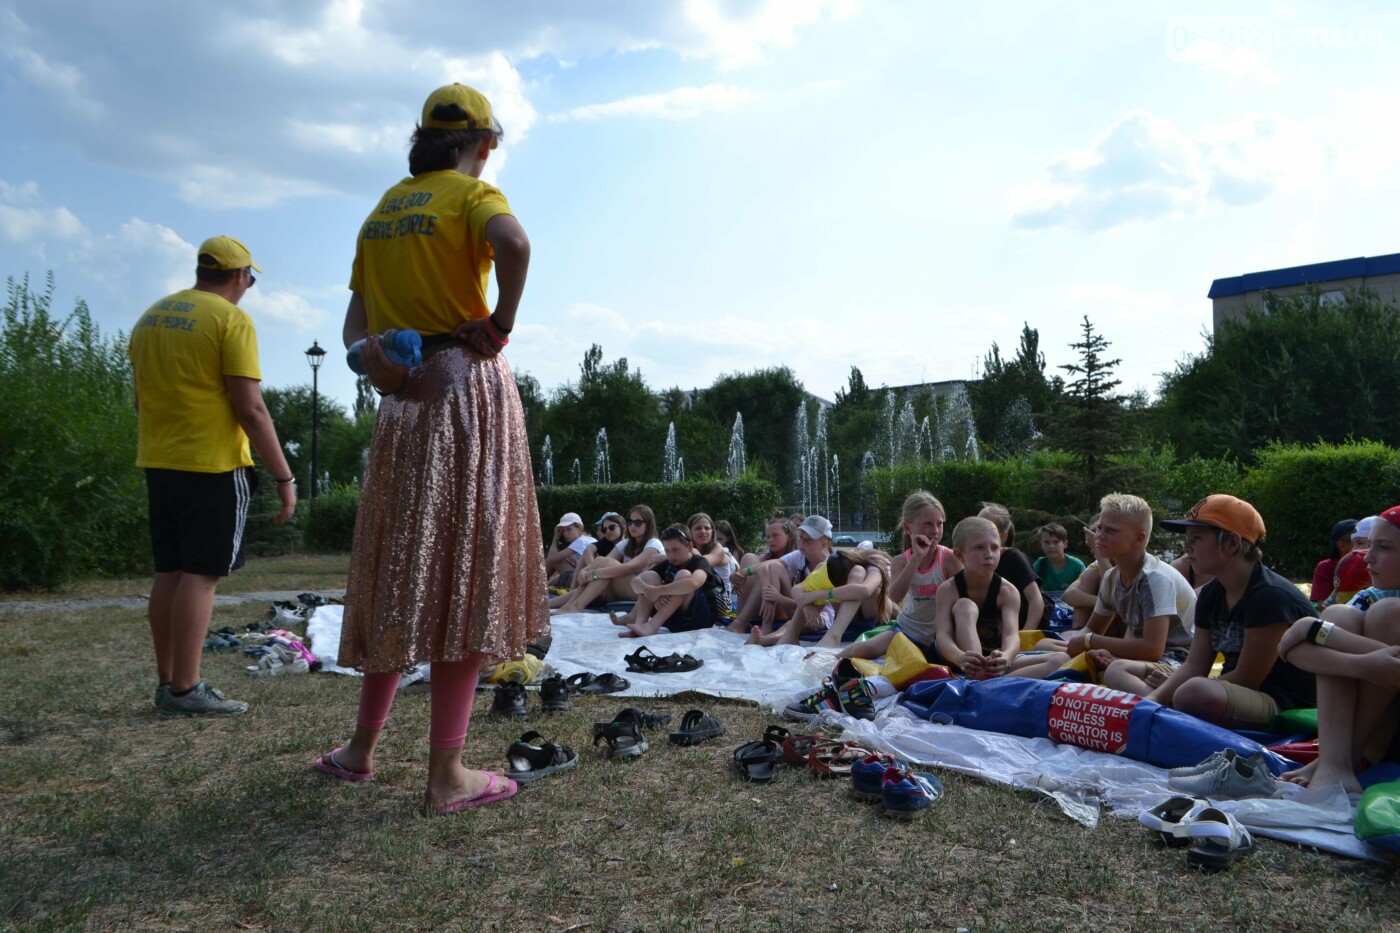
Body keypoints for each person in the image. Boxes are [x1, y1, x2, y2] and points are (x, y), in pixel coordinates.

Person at [316, 84, 548, 815]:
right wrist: (501, 324)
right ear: (482, 143)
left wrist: (370, 362)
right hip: (464, 385)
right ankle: (447, 774)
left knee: (400, 567)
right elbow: (514, 244)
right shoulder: (468, 196)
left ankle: (360, 749)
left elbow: (355, 321)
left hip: (400, 396)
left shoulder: (384, 208)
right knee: (463, 571)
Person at [130, 234, 298, 717]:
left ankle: (168, 683)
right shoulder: (230, 319)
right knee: (202, 576)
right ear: (240, 275)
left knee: (170, 572)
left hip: (159, 461)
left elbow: (141, 399)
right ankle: (186, 690)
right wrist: (283, 477)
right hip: (213, 465)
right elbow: (251, 408)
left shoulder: (151, 317)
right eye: (250, 278)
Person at [1143, 495, 1316, 727]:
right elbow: (1196, 664)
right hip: (1233, 690)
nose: (1187, 547)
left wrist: (1176, 693)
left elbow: (1248, 678)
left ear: (1232, 543)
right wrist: (1150, 702)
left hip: (1281, 700)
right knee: (1122, 671)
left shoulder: (1270, 596)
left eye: (1197, 538)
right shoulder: (1212, 593)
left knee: (1192, 692)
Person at [1276, 505, 1400, 793]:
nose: (1367, 557)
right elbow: (1290, 652)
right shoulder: (1373, 595)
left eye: (1383, 548)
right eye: (1369, 546)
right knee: (1338, 616)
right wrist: (1365, 664)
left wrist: (1313, 629)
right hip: (1370, 727)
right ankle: (1335, 764)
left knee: (1387, 613)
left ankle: (1348, 758)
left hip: (1389, 737)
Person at [1015, 494, 1194, 684]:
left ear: (1139, 538)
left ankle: (1160, 700)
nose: (1099, 536)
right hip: (1139, 657)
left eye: (1111, 531)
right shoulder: (1112, 577)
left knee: (1112, 672)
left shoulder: (1154, 578)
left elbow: (1153, 649)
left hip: (1176, 658)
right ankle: (997, 676)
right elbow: (1092, 627)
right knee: (1045, 645)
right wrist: (1082, 645)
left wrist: (1090, 642)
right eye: (1099, 528)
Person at [841, 490, 962, 661]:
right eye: (928, 524)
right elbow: (894, 597)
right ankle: (826, 657)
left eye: (939, 524)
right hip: (908, 629)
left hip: (941, 633)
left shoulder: (948, 558)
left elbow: (966, 597)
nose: (935, 531)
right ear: (907, 527)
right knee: (865, 650)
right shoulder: (901, 561)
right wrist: (916, 558)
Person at [930, 517, 1020, 678]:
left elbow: (1011, 635)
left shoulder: (1008, 591)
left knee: (1059, 659)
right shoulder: (948, 590)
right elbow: (942, 635)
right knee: (965, 605)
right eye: (979, 548)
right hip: (958, 660)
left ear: (1001, 551)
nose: (989, 555)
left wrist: (1006, 657)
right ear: (959, 555)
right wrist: (959, 657)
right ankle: (978, 672)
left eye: (994, 548)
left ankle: (991, 679)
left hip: (992, 662)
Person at [750, 548, 895, 648]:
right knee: (819, 574)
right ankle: (790, 635)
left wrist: (819, 595)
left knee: (854, 585)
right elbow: (797, 589)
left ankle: (834, 636)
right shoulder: (830, 566)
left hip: (877, 616)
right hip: (851, 619)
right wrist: (808, 603)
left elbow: (864, 590)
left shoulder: (872, 566)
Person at [731, 516, 833, 639]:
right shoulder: (799, 556)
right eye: (801, 538)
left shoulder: (830, 566)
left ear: (824, 544)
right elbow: (770, 564)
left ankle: (764, 640)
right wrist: (743, 573)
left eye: (809, 540)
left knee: (792, 625)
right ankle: (765, 625)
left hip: (817, 614)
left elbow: (815, 607)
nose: (802, 543)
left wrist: (779, 598)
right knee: (774, 566)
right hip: (797, 607)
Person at [613, 525, 722, 637]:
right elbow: (635, 581)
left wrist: (659, 591)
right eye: (667, 550)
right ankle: (640, 624)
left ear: (689, 546)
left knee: (684, 575)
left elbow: (694, 582)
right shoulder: (669, 563)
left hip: (699, 619)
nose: (670, 555)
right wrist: (648, 590)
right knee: (650, 576)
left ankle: (653, 624)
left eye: (675, 550)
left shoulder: (700, 562)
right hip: (674, 620)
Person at [551, 505, 663, 613]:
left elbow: (629, 567)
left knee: (604, 563)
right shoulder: (626, 544)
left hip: (642, 590)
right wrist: (584, 571)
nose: (633, 526)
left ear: (648, 524)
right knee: (600, 561)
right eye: (630, 522)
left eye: (638, 522)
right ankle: (557, 604)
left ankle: (576, 605)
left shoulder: (654, 544)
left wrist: (593, 573)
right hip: (624, 588)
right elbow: (597, 558)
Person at [978, 503, 1045, 630]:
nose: (979, 531)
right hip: (992, 630)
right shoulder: (972, 558)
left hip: (1018, 627)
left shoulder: (1013, 557)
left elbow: (1035, 598)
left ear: (1003, 536)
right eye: (977, 525)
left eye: (986, 528)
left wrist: (1026, 633)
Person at [688, 512, 735, 610]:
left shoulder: (718, 549)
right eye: (698, 528)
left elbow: (702, 563)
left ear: (712, 531)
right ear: (690, 532)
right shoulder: (688, 551)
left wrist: (693, 551)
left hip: (722, 601)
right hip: (703, 596)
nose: (703, 531)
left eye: (707, 528)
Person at [1310, 519, 1357, 607]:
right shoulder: (1326, 567)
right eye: (1359, 543)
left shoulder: (1372, 565)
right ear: (1342, 546)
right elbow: (1323, 606)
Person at [1033, 523, 1086, 599]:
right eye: (1046, 542)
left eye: (1056, 542)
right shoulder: (1040, 564)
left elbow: (1082, 593)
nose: (1051, 546)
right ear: (1041, 544)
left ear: (1065, 544)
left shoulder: (1077, 566)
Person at [544, 512, 595, 587]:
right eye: (563, 531)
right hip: (590, 575)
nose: (565, 534)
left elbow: (551, 559)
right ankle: (544, 586)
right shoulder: (588, 539)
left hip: (586, 578)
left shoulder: (580, 541)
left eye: (569, 529)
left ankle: (537, 586)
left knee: (553, 561)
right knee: (561, 571)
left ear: (580, 528)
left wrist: (555, 538)